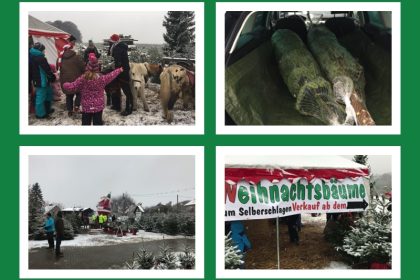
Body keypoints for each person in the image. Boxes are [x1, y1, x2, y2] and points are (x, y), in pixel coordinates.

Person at [63, 53, 123, 125]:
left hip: (86, 107)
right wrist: (119, 70)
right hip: (98, 107)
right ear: (97, 68)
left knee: (85, 123)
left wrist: (65, 85)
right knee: (97, 123)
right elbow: (111, 75)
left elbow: (72, 86)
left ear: (87, 67)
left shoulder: (82, 79)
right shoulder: (102, 79)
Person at [58, 35, 85, 117]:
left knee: (69, 95)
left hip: (65, 80)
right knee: (79, 93)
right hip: (76, 79)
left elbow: (57, 67)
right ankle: (76, 106)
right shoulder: (77, 57)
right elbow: (83, 68)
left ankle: (70, 110)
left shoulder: (60, 58)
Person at [109, 34, 134, 116]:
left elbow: (118, 61)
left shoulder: (118, 48)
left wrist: (117, 70)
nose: (110, 42)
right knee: (115, 87)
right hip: (121, 70)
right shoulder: (118, 46)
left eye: (111, 40)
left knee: (126, 90)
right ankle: (116, 105)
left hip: (122, 71)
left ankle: (129, 109)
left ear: (114, 41)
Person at [29, 42, 56, 118]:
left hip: (41, 79)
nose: (44, 51)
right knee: (40, 97)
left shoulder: (33, 55)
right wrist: (52, 77)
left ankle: (47, 109)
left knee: (48, 94)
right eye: (43, 50)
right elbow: (46, 69)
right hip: (41, 80)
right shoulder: (40, 57)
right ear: (40, 50)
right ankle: (40, 114)